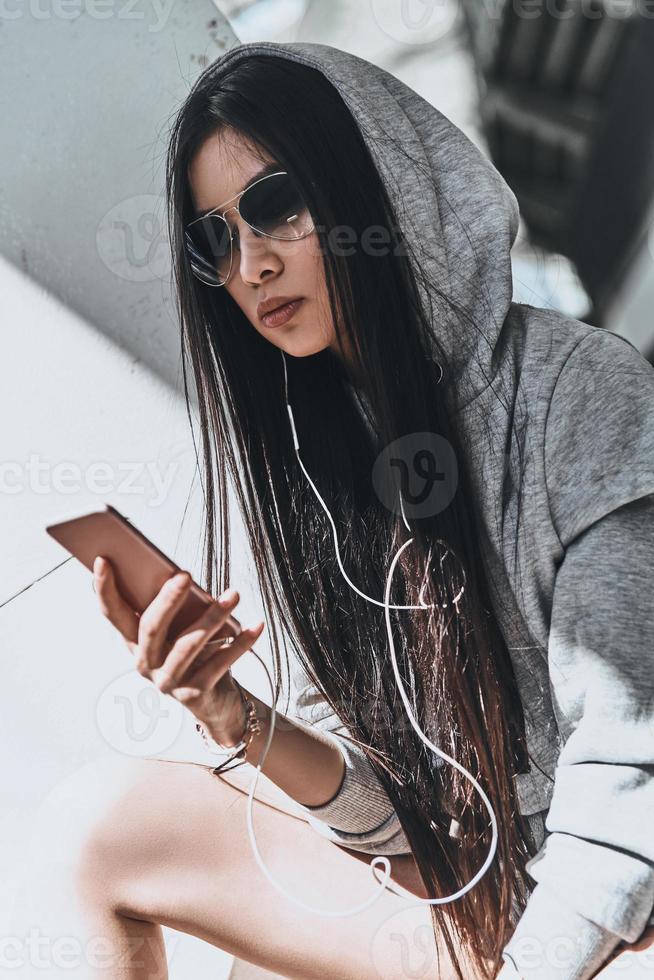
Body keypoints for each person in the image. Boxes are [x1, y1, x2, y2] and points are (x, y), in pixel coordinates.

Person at [25, 41, 654, 980]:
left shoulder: (579, 390)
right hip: (469, 901)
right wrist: (228, 710)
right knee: (96, 826)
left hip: (617, 919)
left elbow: (628, 784)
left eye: (278, 204)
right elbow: (391, 817)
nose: (253, 264)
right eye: (216, 239)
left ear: (379, 185)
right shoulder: (313, 466)